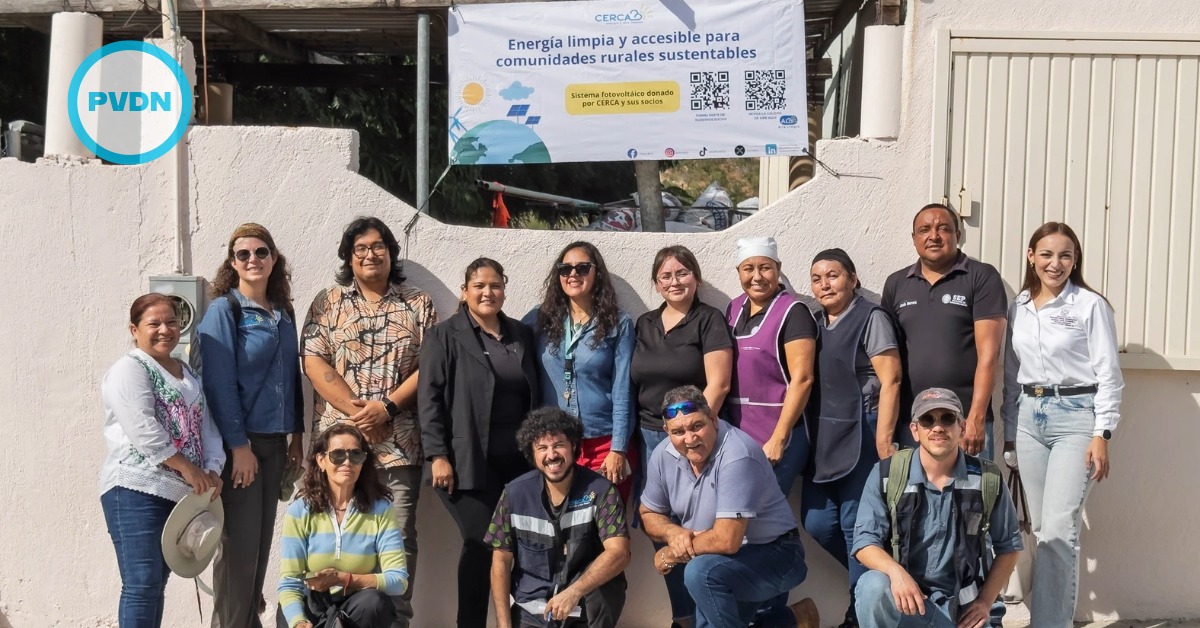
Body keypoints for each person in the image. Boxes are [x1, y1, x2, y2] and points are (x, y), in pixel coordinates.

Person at [301, 216, 436, 628]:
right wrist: (359, 415)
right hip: (338, 449)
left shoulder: (418, 303)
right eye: (360, 248)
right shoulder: (328, 302)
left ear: (391, 252)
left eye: (378, 246)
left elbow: (430, 365)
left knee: (397, 540)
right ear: (348, 257)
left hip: (400, 444)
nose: (370, 254)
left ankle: (394, 623)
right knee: (330, 536)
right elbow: (312, 360)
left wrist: (388, 408)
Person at [1000, 222, 1123, 628]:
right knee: (1040, 530)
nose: (1056, 263)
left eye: (1066, 255)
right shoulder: (1018, 306)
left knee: (1058, 530)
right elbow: (1011, 371)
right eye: (1047, 254)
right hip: (1029, 419)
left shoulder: (1089, 306)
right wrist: (1011, 434)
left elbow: (1109, 375)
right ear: (1031, 257)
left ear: (1075, 260)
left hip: (1076, 418)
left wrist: (1101, 434)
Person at [418, 257, 540, 628]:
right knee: (482, 541)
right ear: (464, 291)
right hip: (466, 462)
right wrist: (437, 455)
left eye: (496, 285)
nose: (488, 292)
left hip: (519, 464)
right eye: (479, 286)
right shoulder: (444, 335)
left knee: (521, 546)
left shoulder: (522, 335)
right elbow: (430, 398)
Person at [195, 223, 305, 628]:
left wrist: (297, 435)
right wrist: (238, 446)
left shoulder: (285, 312)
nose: (253, 260)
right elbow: (218, 384)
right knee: (238, 552)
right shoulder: (225, 310)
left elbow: (291, 377)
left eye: (261, 252)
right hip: (241, 446)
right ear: (233, 262)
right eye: (243, 254)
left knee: (258, 552)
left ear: (274, 259)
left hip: (277, 444)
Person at [640, 385, 819, 628]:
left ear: (713, 418)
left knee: (699, 573)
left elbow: (727, 540)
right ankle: (795, 618)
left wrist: (671, 552)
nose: (690, 439)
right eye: (678, 431)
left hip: (776, 555)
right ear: (666, 431)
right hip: (719, 561)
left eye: (697, 426)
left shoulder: (736, 453)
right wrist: (674, 533)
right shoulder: (663, 454)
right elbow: (649, 512)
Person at [99, 293, 226, 627]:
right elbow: (143, 428)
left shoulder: (186, 372)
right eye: (153, 323)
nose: (164, 330)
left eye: (171, 321)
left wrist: (212, 469)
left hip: (177, 495)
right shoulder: (130, 368)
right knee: (141, 583)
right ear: (134, 329)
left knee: (156, 584)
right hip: (135, 489)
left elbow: (206, 426)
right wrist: (188, 468)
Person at [852, 388, 1022, 628]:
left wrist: (984, 602)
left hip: (964, 613)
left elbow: (1009, 547)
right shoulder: (887, 474)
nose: (938, 427)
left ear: (961, 428)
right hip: (908, 608)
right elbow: (864, 543)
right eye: (927, 419)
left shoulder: (987, 478)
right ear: (915, 431)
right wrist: (896, 573)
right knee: (873, 587)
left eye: (947, 418)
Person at [629, 245, 732, 628]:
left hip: (692, 441)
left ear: (696, 277)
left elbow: (718, 384)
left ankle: (705, 617)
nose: (675, 281)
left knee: (698, 527)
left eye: (682, 273)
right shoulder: (644, 324)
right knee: (660, 526)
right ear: (656, 284)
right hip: (649, 437)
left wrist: (689, 434)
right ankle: (684, 617)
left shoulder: (709, 320)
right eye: (666, 276)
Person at [803, 248, 902, 628]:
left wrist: (883, 439)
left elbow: (891, 379)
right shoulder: (814, 322)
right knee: (816, 523)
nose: (824, 284)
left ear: (853, 278)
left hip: (864, 428)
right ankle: (888, 578)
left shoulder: (871, 318)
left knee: (852, 524)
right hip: (826, 433)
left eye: (833, 275)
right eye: (817, 278)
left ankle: (859, 613)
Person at [880, 203, 1009, 459]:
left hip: (963, 421)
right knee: (913, 499)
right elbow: (888, 364)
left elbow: (989, 356)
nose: (934, 236)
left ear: (957, 236)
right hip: (914, 423)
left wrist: (976, 418)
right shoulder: (896, 284)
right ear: (914, 238)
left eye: (943, 228)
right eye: (925, 229)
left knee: (971, 498)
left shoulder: (981, 277)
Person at [486, 408, 631, 628]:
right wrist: (503, 624)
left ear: (573, 446)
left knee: (605, 589)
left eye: (559, 445)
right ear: (532, 454)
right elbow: (501, 561)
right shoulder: (514, 494)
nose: (551, 455)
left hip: (584, 607)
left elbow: (619, 553)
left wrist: (574, 592)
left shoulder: (601, 491)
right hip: (532, 611)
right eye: (542, 448)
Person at [524, 241, 635, 497]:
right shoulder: (539, 319)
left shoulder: (618, 323)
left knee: (604, 529)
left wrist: (618, 449)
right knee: (562, 526)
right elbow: (502, 340)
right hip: (554, 444)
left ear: (596, 273)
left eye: (582, 268)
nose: (573, 274)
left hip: (602, 442)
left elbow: (623, 390)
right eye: (565, 269)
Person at [277, 424, 408, 628]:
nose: (347, 462)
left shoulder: (381, 509)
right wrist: (298, 622)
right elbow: (289, 582)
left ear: (363, 461)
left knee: (374, 603)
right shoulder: (300, 510)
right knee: (288, 614)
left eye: (355, 454)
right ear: (321, 460)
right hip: (312, 605)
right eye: (338, 455)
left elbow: (398, 581)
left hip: (355, 610)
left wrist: (344, 579)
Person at [725, 235, 817, 498]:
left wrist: (778, 438)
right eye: (748, 268)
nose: (757, 276)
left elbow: (803, 379)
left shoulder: (793, 312)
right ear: (738, 272)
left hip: (779, 434)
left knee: (763, 515)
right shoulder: (733, 309)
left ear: (778, 268)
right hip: (740, 434)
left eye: (765, 267)